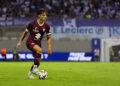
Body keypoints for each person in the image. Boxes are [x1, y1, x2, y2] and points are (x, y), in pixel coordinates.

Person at [16, 8, 52, 79]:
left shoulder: (47, 26)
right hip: (30, 42)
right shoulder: (32, 24)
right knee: (39, 50)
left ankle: (29, 74)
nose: (45, 17)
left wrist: (49, 48)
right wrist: (19, 42)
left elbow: (48, 37)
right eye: (43, 15)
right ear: (39, 16)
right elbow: (25, 33)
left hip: (38, 44)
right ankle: (35, 70)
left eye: (45, 15)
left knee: (38, 62)